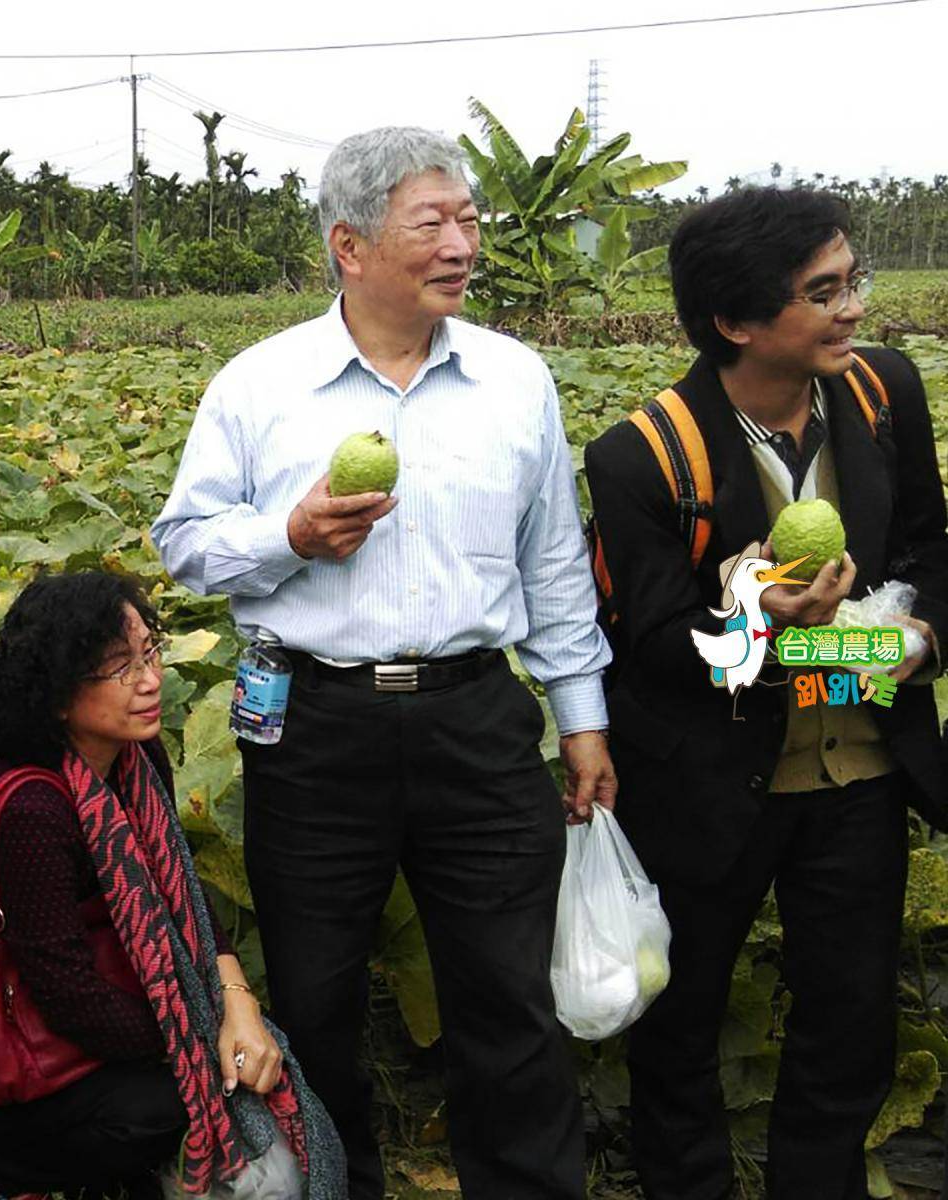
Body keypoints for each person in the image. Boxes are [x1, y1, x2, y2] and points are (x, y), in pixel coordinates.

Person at [150, 126, 617, 1198]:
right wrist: (289, 538)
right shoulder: (261, 386)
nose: (462, 242)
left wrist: (581, 718)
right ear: (350, 247)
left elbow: (553, 564)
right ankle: (334, 1183)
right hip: (315, 728)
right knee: (315, 998)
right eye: (434, 222)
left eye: (469, 218)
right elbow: (185, 541)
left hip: (478, 719)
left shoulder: (515, 380)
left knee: (507, 993)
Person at [584, 188, 948, 1199]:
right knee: (680, 1028)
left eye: (852, 281)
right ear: (737, 322)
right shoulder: (643, 454)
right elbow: (651, 643)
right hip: (709, 784)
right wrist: (756, 620)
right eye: (822, 292)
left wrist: (920, 638)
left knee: (850, 1027)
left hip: (860, 770)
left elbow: (931, 547)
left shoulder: (884, 396)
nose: (853, 309)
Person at [0, 571, 344, 1200]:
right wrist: (201, 1036)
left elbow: (183, 892)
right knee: (167, 1108)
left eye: (150, 652)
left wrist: (236, 1002)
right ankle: (8, 1167)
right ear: (56, 694)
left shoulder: (134, 758)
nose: (150, 680)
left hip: (105, 1013)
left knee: (254, 1073)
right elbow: (67, 993)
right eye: (118, 667)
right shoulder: (34, 809)